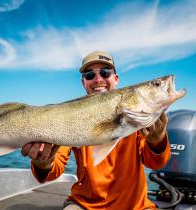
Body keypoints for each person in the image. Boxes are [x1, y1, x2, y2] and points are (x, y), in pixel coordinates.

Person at [21, 50, 171, 210]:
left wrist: (157, 140)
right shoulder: (70, 116)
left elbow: (156, 163)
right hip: (84, 205)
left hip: (135, 206)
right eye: (90, 75)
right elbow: (53, 171)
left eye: (106, 73)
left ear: (116, 78)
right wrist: (43, 162)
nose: (98, 79)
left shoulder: (138, 115)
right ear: (83, 82)